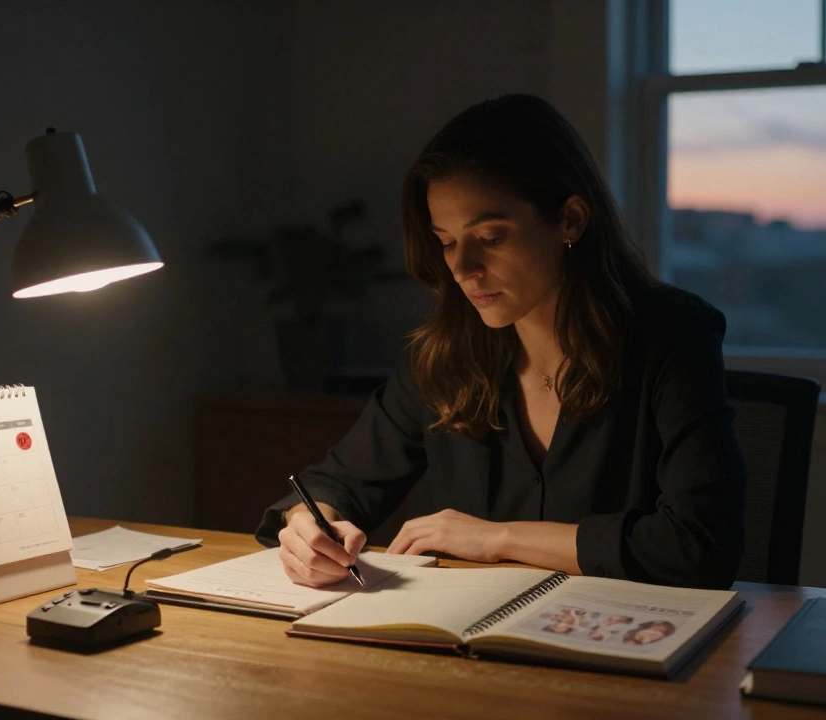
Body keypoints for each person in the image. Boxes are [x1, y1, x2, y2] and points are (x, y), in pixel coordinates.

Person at [256, 93, 746, 591]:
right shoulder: (444, 354)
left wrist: (500, 539)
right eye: (447, 241)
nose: (463, 269)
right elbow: (336, 482)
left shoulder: (673, 334)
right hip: (467, 651)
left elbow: (700, 547)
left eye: (490, 238)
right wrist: (307, 526)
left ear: (571, 221)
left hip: (622, 650)